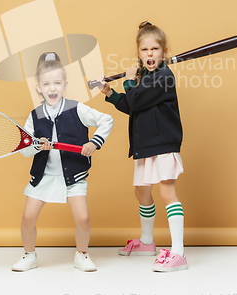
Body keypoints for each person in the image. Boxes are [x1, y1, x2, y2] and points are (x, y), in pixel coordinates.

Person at [12, 52, 113, 272]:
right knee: (28, 217)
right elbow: (24, 150)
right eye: (46, 83)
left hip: (73, 176)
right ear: (38, 86)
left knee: (83, 218)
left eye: (57, 83)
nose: (52, 88)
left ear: (65, 84)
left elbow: (106, 120)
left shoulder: (76, 108)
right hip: (44, 176)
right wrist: (37, 145)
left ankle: (82, 254)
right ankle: (29, 255)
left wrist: (94, 142)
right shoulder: (35, 115)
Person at [98, 22, 187, 272]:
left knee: (167, 192)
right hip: (146, 143)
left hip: (163, 141)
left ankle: (179, 253)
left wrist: (129, 81)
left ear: (164, 51)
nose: (150, 54)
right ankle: (147, 243)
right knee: (141, 191)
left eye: (155, 48)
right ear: (139, 53)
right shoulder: (147, 76)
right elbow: (131, 105)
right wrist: (110, 93)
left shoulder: (164, 76)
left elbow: (135, 99)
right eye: (145, 49)